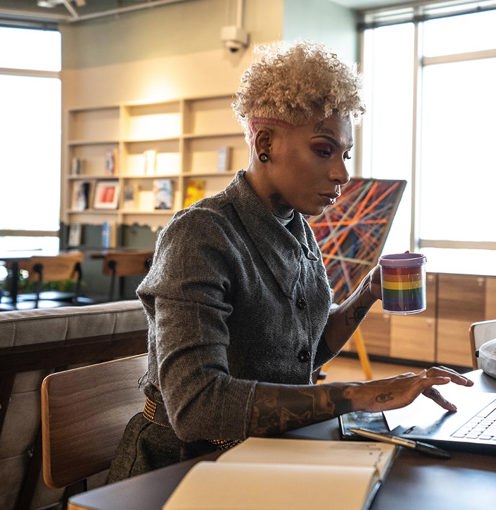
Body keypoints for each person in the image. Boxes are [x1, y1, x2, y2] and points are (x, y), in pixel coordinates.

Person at [108, 41, 473, 481]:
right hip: (181, 468)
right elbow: (198, 406)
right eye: (324, 150)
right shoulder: (201, 234)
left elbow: (299, 356)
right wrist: (358, 394)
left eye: (345, 154)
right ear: (265, 143)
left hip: (260, 453)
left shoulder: (297, 230)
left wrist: (366, 295)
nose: (342, 173)